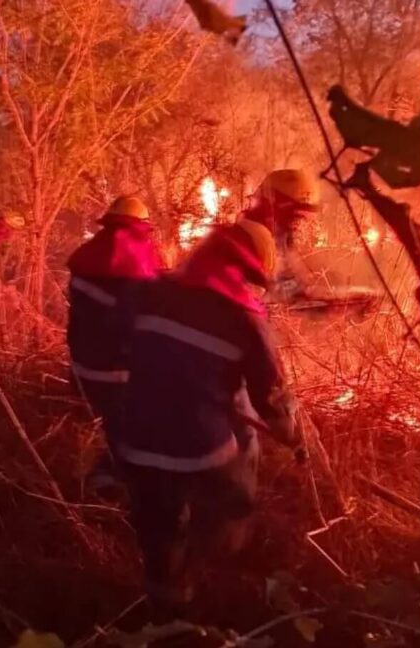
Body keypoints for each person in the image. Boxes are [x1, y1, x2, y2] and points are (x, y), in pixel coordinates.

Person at [116, 218, 303, 612]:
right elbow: (271, 400)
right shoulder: (244, 319)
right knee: (233, 499)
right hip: (198, 447)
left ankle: (163, 611)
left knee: (159, 531)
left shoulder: (151, 289)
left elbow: (124, 343)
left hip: (134, 438)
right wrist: (295, 438)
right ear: (249, 271)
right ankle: (209, 581)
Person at [66, 196, 164, 489]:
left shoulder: (86, 258)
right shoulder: (136, 264)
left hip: (83, 366)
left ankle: (105, 477)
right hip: (120, 372)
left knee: (111, 427)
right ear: (140, 228)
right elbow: (139, 324)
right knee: (134, 432)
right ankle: (117, 483)